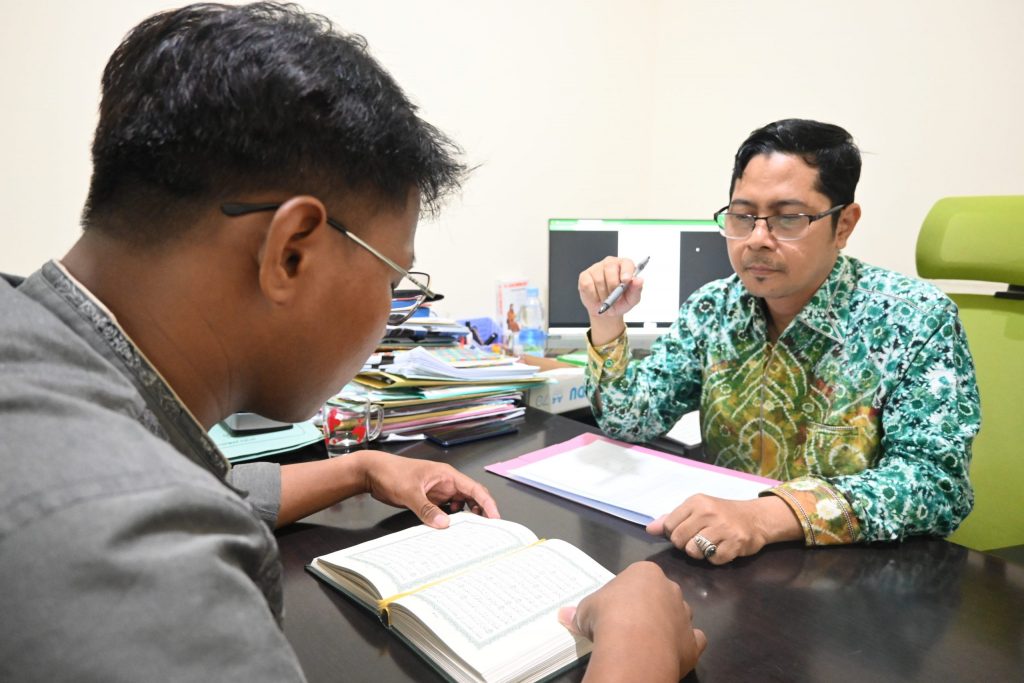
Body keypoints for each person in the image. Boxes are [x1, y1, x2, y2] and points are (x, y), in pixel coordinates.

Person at [0, 3, 704, 681]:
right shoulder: (138, 552)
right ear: (291, 253)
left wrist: (358, 468)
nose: (392, 303)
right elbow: (147, 498)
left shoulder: (36, 356)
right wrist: (638, 648)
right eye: (396, 274)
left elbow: (188, 475)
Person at [578, 118, 980, 565]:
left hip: (855, 581)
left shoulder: (914, 317)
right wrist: (608, 320)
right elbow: (630, 420)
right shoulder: (715, 307)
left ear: (843, 225)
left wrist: (767, 516)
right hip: (725, 564)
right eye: (742, 216)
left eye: (788, 219)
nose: (756, 240)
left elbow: (935, 483)